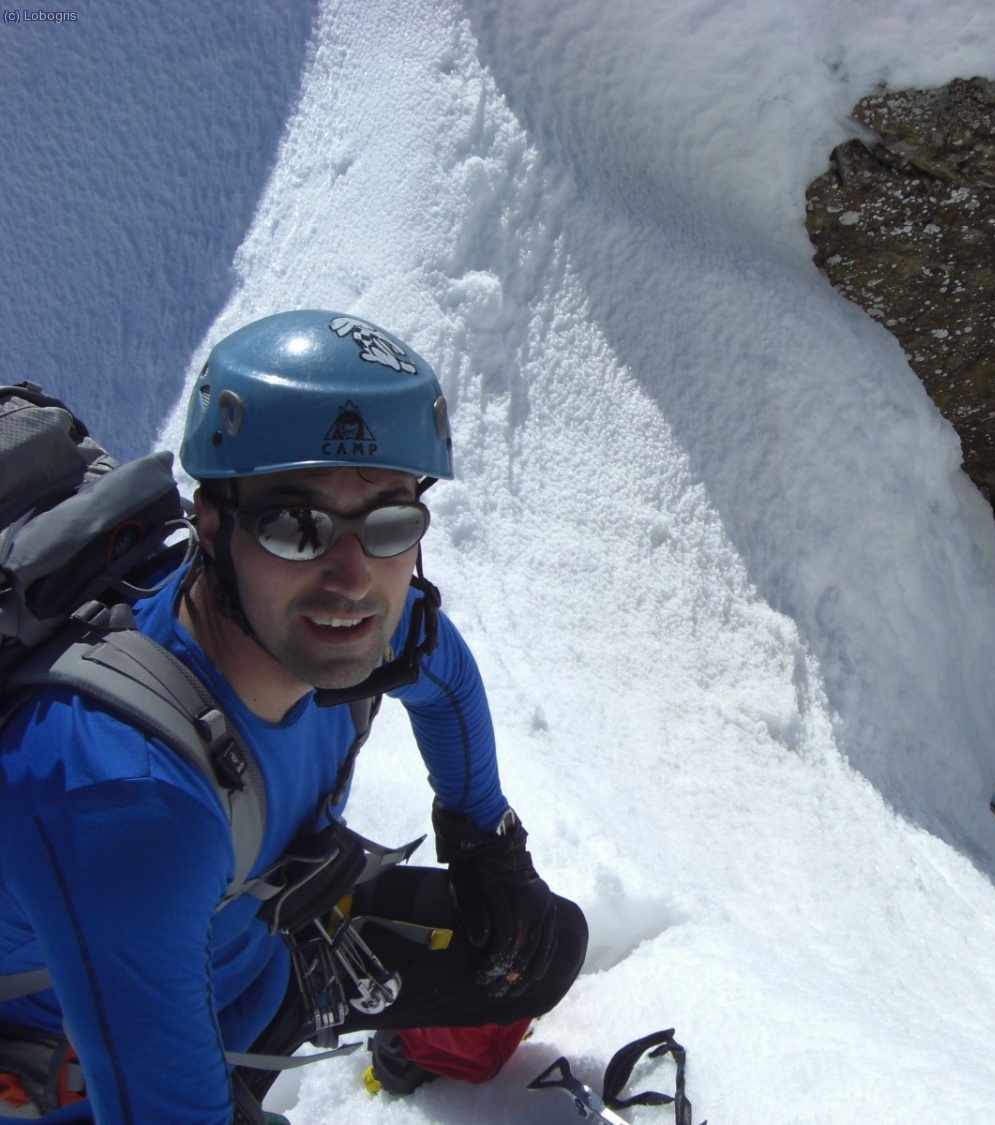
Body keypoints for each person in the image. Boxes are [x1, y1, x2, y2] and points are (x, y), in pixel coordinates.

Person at [0, 311, 587, 1123]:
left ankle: (402, 1057)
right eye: (293, 525)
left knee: (539, 945)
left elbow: (442, 670)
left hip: (269, 952)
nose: (351, 578)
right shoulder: (125, 793)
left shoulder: (348, 622)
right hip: (87, 1060)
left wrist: (485, 838)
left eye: (389, 522)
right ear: (210, 526)